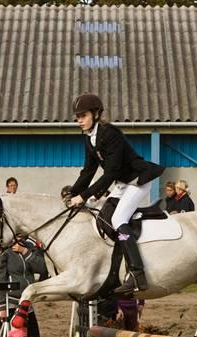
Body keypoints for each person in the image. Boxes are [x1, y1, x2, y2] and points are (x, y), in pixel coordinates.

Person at [66, 93, 164, 295]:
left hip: (138, 179)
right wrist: (72, 192)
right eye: (77, 117)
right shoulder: (89, 138)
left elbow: (109, 173)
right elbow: (88, 171)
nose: (79, 121)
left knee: (119, 219)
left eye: (82, 116)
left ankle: (138, 274)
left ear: (95, 113)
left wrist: (83, 197)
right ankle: (115, 271)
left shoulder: (110, 134)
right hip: (122, 182)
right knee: (105, 218)